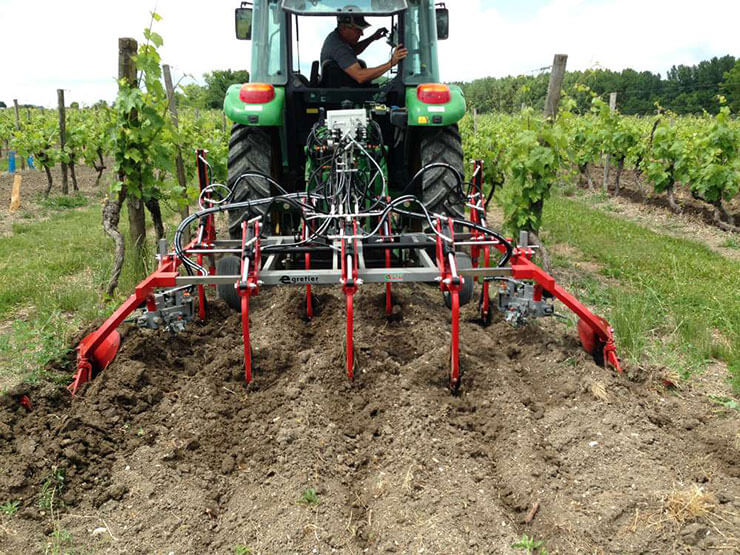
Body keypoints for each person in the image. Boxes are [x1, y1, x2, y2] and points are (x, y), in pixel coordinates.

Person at [320, 14, 408, 87]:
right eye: (358, 30)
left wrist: (373, 38)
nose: (362, 34)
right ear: (343, 28)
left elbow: (352, 51)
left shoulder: (336, 39)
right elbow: (360, 76)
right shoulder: (339, 47)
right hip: (342, 99)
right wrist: (391, 63)